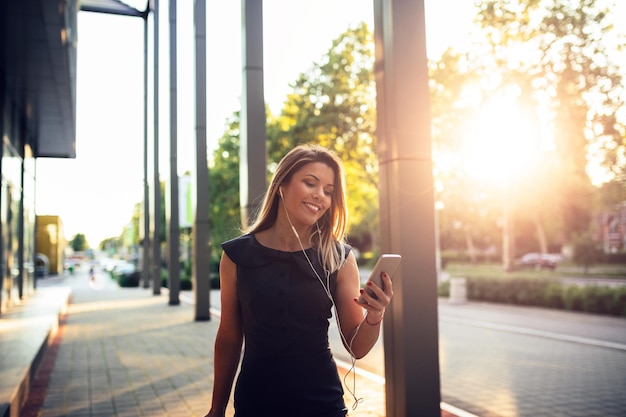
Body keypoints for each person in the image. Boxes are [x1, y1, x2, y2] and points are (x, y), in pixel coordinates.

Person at [204, 144, 394, 417]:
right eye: (310, 183)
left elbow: (357, 347)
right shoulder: (237, 256)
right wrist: (216, 409)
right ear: (282, 184)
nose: (320, 196)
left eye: (328, 191)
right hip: (255, 405)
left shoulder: (338, 258)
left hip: (322, 404)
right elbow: (229, 338)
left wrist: (375, 315)